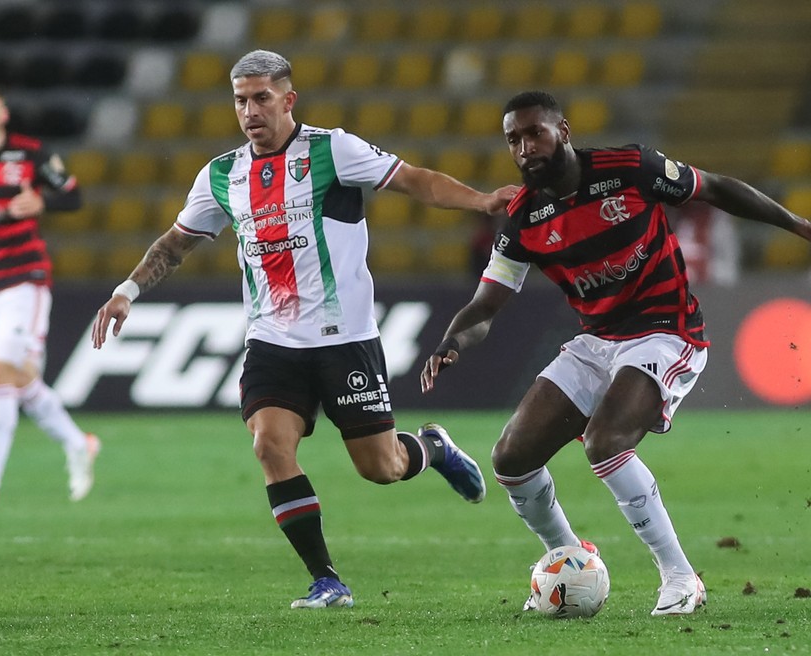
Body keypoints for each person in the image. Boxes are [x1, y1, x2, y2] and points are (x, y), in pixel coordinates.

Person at [91, 50, 517, 609]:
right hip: (272, 341)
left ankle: (433, 449)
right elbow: (175, 243)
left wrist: (482, 200)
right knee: (270, 445)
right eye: (241, 100)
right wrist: (126, 291)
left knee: (381, 467)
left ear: (288, 100)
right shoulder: (221, 175)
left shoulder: (332, 150)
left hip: (345, 339)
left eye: (262, 98)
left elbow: (414, 180)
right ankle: (326, 579)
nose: (250, 111)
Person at [420, 91, 811, 616]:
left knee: (605, 442)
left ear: (563, 130)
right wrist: (451, 341)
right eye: (513, 139)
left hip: (666, 330)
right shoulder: (523, 218)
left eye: (534, 132)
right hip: (597, 340)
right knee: (511, 458)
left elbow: (715, 187)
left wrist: (802, 228)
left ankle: (680, 578)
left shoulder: (629, 168)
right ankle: (567, 554)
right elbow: (486, 304)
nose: (524, 147)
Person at [0, 84, 100, 505]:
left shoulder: (31, 154)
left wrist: (42, 202)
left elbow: (74, 196)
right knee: (20, 381)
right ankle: (78, 443)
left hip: (25, 278)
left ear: (3, 114)